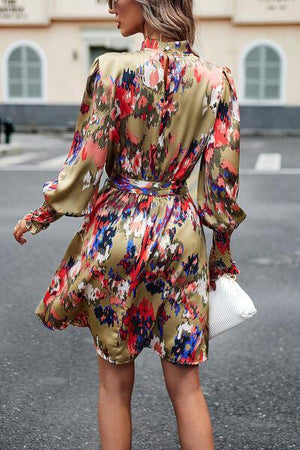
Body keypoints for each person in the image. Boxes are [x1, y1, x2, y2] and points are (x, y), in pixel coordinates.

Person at [13, 0, 247, 448]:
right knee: (187, 387)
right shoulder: (217, 80)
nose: (109, 5)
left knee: (114, 388)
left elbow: (86, 164)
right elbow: (221, 186)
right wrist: (221, 257)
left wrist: (42, 215)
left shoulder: (111, 69)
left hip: (118, 229)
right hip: (181, 229)